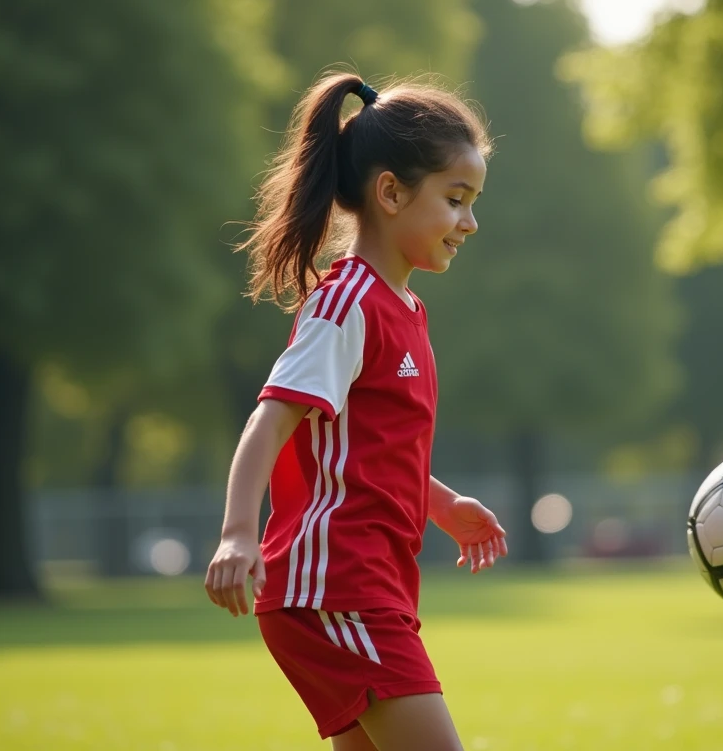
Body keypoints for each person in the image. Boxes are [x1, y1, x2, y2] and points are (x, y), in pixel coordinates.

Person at [204, 70, 508, 751]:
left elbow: (362, 452)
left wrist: (440, 504)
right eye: (456, 199)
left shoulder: (405, 310)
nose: (470, 221)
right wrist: (236, 532)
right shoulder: (347, 304)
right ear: (392, 192)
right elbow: (272, 420)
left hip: (367, 590)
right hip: (336, 588)